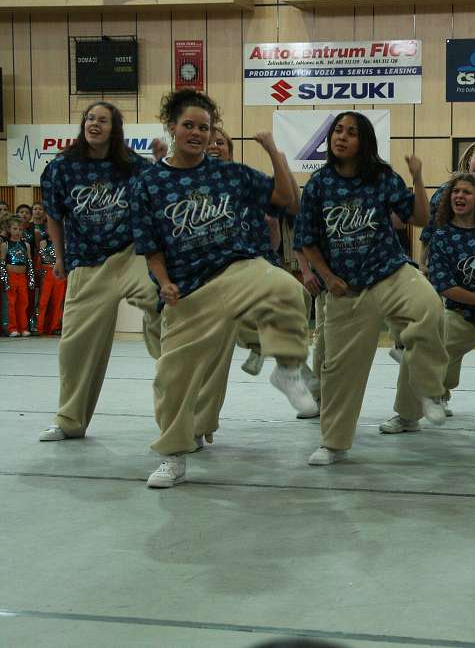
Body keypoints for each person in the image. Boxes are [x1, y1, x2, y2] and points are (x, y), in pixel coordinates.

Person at [131, 88, 316, 487]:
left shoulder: (229, 173)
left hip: (237, 270)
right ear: (172, 127)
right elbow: (150, 246)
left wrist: (274, 153)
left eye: (205, 127)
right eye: (189, 125)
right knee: (171, 378)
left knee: (287, 289)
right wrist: (164, 283)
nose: (198, 133)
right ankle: (174, 456)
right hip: (189, 290)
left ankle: (288, 370)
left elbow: (286, 199)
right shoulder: (149, 183)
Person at [295, 111, 449, 467]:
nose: (341, 137)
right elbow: (306, 239)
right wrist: (327, 277)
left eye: (351, 132)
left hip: (389, 272)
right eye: (337, 131)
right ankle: (334, 443)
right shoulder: (319, 184)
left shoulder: (381, 177)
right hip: (345, 288)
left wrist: (417, 177)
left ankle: (430, 391)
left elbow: (420, 218)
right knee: (339, 371)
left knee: (429, 308)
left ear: (364, 141)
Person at [37, 101, 163, 442]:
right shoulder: (62, 167)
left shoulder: (131, 164)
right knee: (74, 346)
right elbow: (54, 216)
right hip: (86, 262)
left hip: (130, 255)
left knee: (163, 303)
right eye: (90, 118)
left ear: (114, 128)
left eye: (103, 120)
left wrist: (160, 160)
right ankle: (70, 421)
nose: (95, 124)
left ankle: (177, 392)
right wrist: (60, 258)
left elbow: (159, 187)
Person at [379, 173, 475, 437]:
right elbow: (444, 285)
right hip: (460, 316)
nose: (459, 196)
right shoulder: (443, 236)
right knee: (418, 351)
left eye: (466, 192)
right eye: (456, 192)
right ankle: (407, 416)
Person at [3, 220, 34, 336]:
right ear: (9, 230)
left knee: (24, 302)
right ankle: (12, 328)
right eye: (15, 229)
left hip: (22, 277)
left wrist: (31, 278)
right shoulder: (5, 245)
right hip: (11, 276)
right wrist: (5, 279)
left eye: (20, 230)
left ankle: (23, 328)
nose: (18, 232)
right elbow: (2, 264)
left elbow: (30, 263)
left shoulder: (26, 245)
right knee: (11, 302)